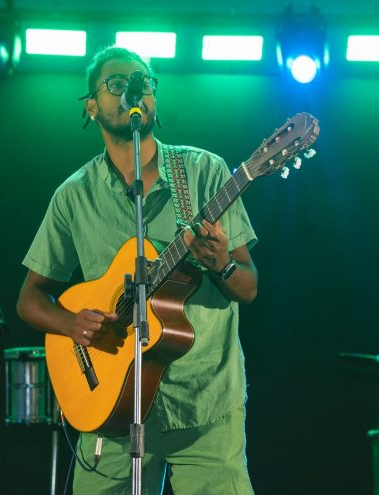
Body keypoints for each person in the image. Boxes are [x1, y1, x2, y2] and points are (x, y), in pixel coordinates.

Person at [16, 46, 258, 494]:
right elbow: (30, 298)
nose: (134, 91)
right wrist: (72, 323)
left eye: (143, 82)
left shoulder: (204, 172)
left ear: (153, 99)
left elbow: (247, 287)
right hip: (111, 405)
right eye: (116, 84)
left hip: (203, 404)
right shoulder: (73, 196)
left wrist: (221, 263)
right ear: (91, 106)